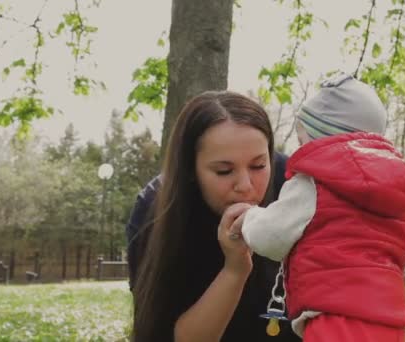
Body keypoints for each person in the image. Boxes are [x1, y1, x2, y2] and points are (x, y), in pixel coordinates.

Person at [231, 74, 405, 341]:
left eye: (302, 141)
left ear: (320, 140)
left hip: (333, 316)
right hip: (388, 323)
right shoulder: (398, 192)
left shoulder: (313, 183)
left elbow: (271, 237)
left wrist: (250, 217)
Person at [126, 90, 301, 341]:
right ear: (190, 170)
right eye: (223, 171)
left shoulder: (294, 187)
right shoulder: (153, 212)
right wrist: (234, 270)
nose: (245, 185)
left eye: (259, 166)